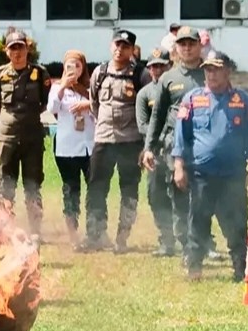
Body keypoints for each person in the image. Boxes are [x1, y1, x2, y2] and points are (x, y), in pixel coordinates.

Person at [172, 51, 248, 281]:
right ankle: (195, 269)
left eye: (216, 69)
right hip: (202, 175)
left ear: (227, 71)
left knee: (237, 223)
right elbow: (181, 137)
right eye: (207, 69)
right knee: (198, 222)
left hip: (233, 176)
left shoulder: (242, 100)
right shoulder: (192, 99)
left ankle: (241, 271)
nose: (211, 74)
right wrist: (179, 167)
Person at [143, 27, 216, 263]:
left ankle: (206, 243)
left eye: (191, 43)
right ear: (176, 48)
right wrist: (149, 148)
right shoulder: (168, 78)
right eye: (182, 44)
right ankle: (188, 249)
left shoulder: (211, 74)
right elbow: (157, 117)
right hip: (177, 149)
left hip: (207, 146)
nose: (186, 48)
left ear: (199, 45)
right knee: (180, 200)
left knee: (206, 197)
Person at [83, 30, 147, 253]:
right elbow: (94, 105)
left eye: (125, 46)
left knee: (129, 190)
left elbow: (146, 108)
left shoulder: (140, 74)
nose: (120, 49)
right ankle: (95, 235)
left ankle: (122, 238)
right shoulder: (99, 72)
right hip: (104, 138)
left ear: (132, 50)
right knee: (96, 188)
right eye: (117, 44)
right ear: (111, 46)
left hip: (130, 140)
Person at [0, 30, 50, 237]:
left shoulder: (40, 73)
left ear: (27, 48)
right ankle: (5, 231)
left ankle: (35, 231)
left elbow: (44, 102)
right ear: (6, 51)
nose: (17, 52)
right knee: (5, 185)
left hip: (32, 137)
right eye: (12, 48)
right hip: (7, 137)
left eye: (20, 47)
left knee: (33, 186)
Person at [47, 50, 94, 247]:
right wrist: (63, 86)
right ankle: (73, 234)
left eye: (77, 65)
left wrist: (88, 104)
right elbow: (52, 108)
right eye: (69, 65)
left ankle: (95, 233)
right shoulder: (58, 87)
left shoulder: (91, 88)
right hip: (67, 148)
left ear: (83, 67)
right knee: (71, 190)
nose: (73, 69)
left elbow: (102, 109)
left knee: (95, 189)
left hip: (90, 147)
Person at [136, 48, 176, 256]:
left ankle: (204, 243)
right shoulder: (144, 94)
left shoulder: (177, 88)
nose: (157, 69)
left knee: (186, 196)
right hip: (157, 153)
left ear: (169, 65)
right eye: (153, 66)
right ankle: (166, 241)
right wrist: (162, 138)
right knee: (156, 196)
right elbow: (142, 125)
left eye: (161, 65)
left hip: (178, 151)